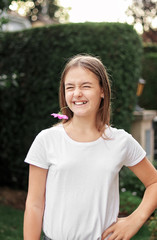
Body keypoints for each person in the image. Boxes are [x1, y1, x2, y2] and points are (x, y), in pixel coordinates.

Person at [23, 54, 157, 240]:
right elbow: (34, 204)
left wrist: (135, 219)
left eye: (86, 86)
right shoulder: (47, 140)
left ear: (102, 91)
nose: (77, 93)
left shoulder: (120, 141)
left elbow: (154, 183)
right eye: (70, 87)